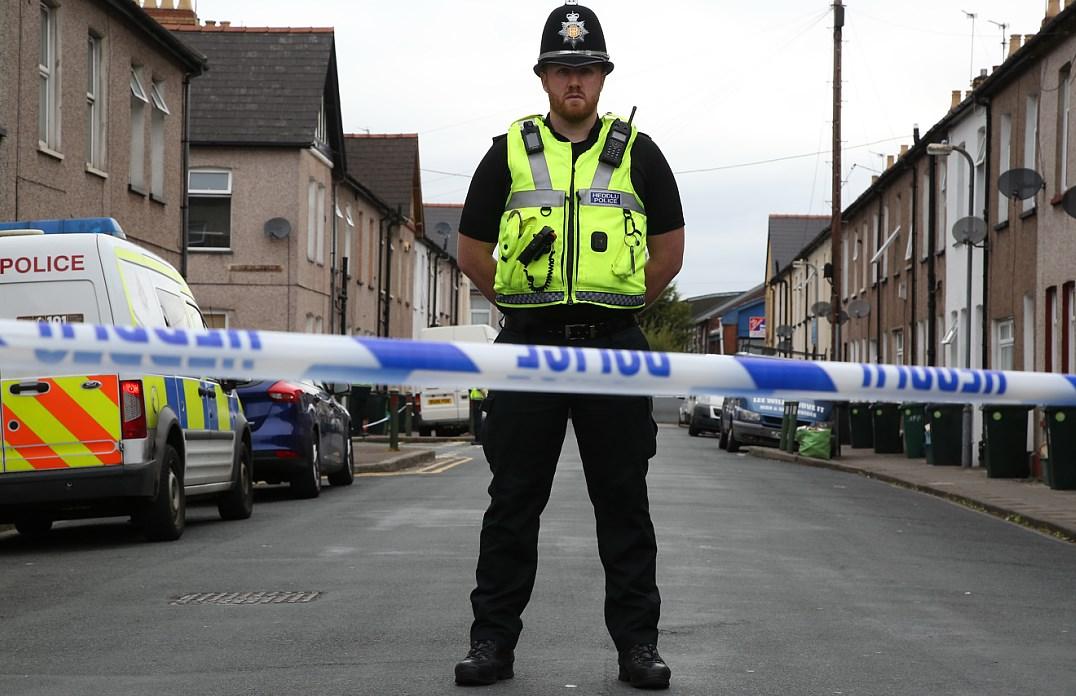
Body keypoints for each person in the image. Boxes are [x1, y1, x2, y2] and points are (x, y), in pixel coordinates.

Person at [454, 1, 685, 690]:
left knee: (624, 505)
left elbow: (670, 251)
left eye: (585, 69)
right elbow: (469, 249)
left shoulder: (640, 152)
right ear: (544, 78)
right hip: (529, 350)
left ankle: (638, 649)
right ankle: (492, 644)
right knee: (513, 503)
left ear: (604, 78)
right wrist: (522, 307)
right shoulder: (509, 152)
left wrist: (620, 306)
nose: (574, 81)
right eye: (562, 70)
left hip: (614, 348)